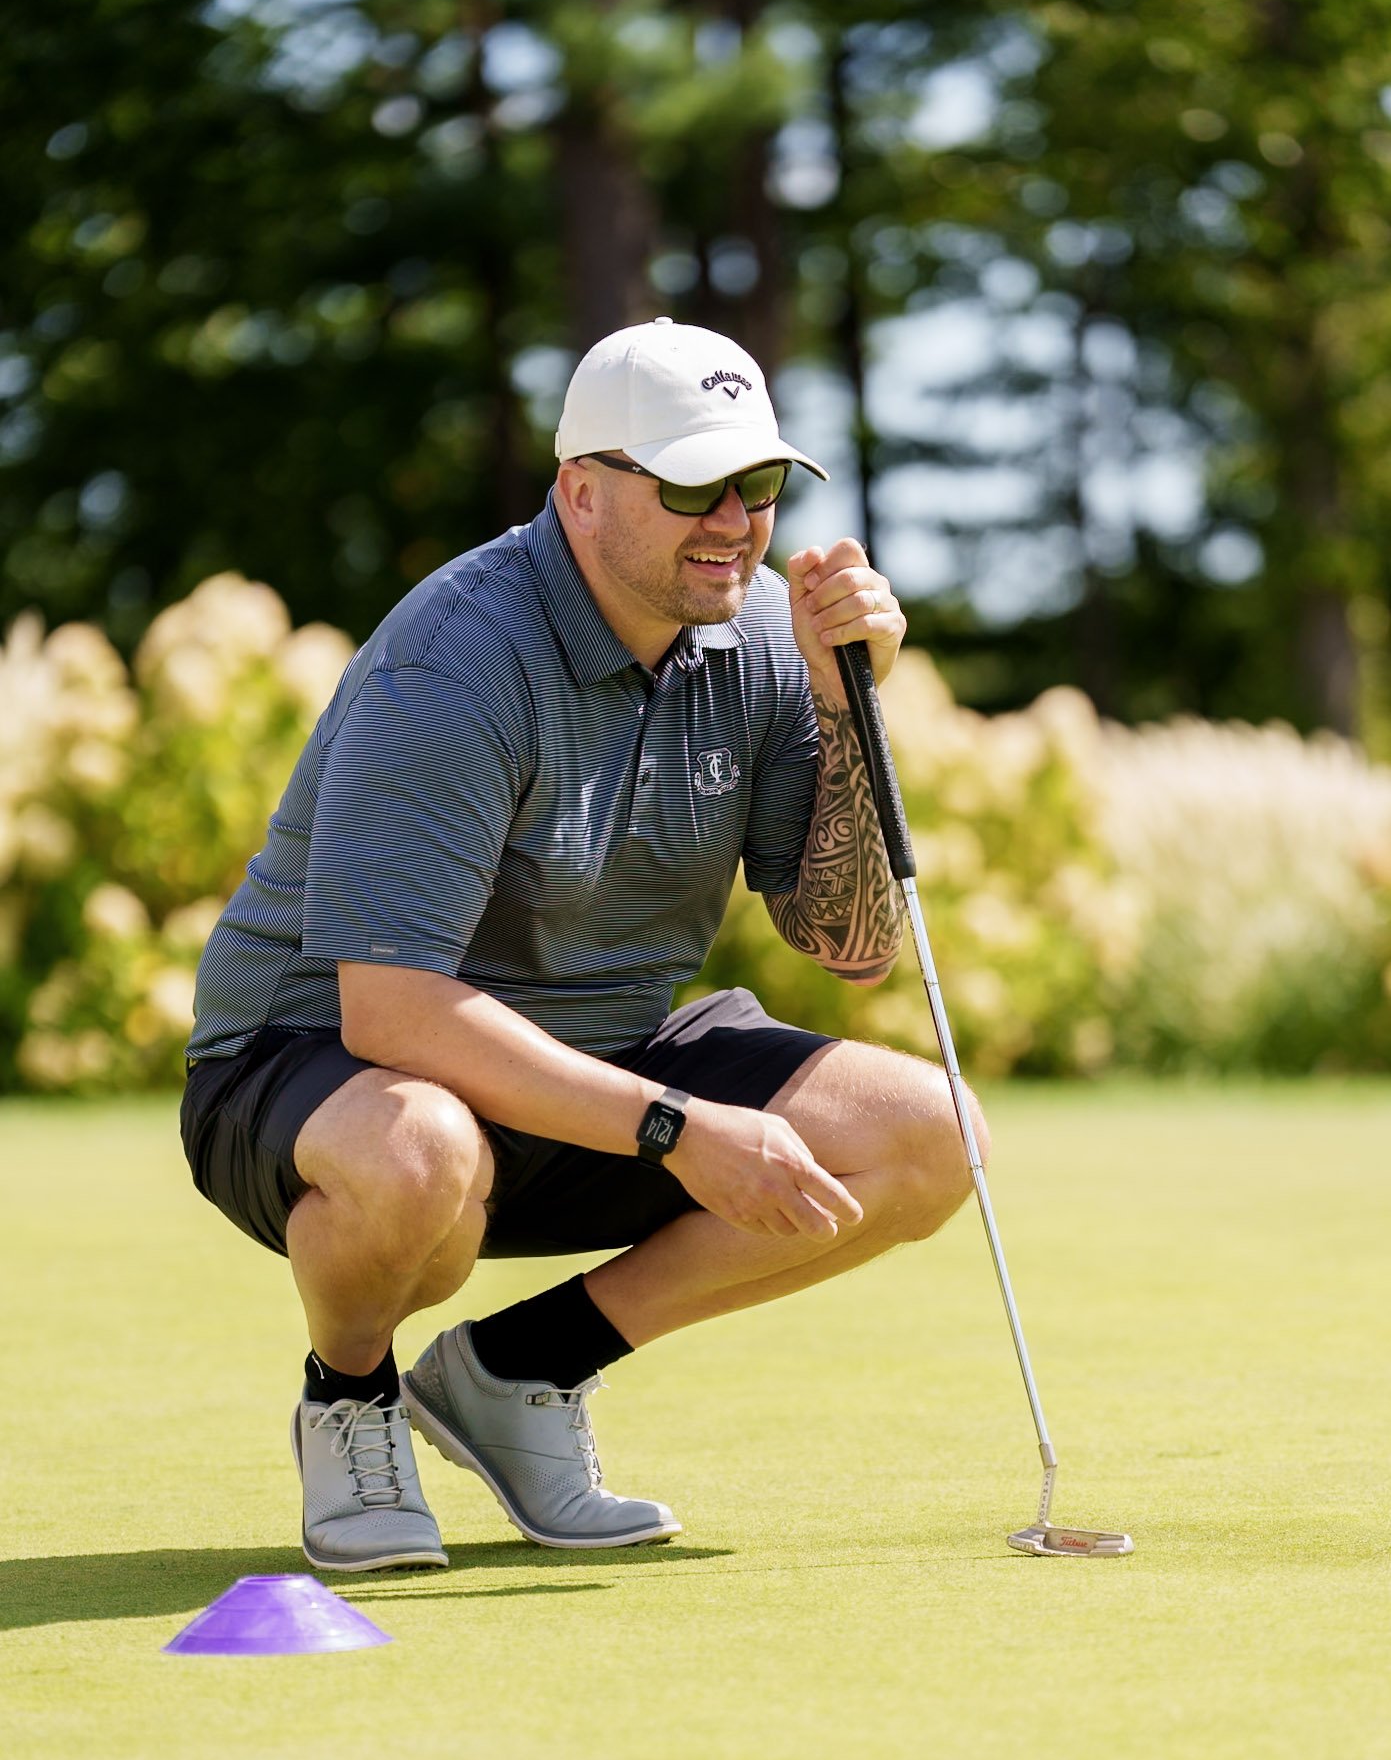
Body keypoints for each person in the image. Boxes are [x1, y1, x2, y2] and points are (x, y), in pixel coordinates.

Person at [180, 316, 986, 1572]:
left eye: (756, 483)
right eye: (689, 485)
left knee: (933, 1136)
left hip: (591, 1057)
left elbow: (850, 944)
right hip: (309, 1064)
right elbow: (389, 1011)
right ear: (583, 493)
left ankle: (520, 1372)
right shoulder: (460, 655)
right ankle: (349, 1394)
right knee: (420, 1153)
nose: (731, 518)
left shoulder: (769, 636)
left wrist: (843, 709)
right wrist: (676, 1124)